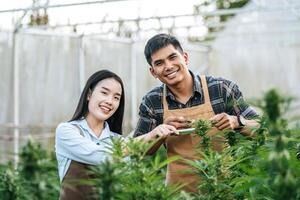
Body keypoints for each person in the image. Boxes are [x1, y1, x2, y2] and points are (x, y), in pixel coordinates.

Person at [133, 33, 259, 192]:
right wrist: (159, 133)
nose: (168, 66)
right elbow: (139, 151)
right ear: (153, 72)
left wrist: (237, 122)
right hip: (178, 193)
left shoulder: (221, 88)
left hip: (224, 190)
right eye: (159, 63)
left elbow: (261, 129)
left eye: (172, 57)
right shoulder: (152, 101)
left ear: (185, 58)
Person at [55, 69, 125, 200]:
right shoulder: (67, 131)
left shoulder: (118, 140)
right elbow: (100, 156)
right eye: (104, 93)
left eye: (116, 98)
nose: (110, 101)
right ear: (89, 94)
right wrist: (146, 138)